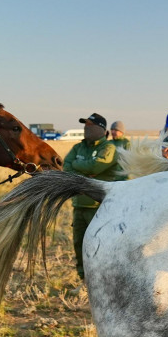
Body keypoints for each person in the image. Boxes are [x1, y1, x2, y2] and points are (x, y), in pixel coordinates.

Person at [62, 113, 121, 280]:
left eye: (90, 126)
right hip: (79, 205)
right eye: (85, 125)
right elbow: (66, 167)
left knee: (99, 246)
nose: (86, 129)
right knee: (79, 245)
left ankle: (102, 279)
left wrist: (78, 167)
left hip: (99, 207)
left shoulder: (109, 148)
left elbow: (96, 167)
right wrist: (83, 172)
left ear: (101, 129)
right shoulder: (78, 147)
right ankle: (84, 279)